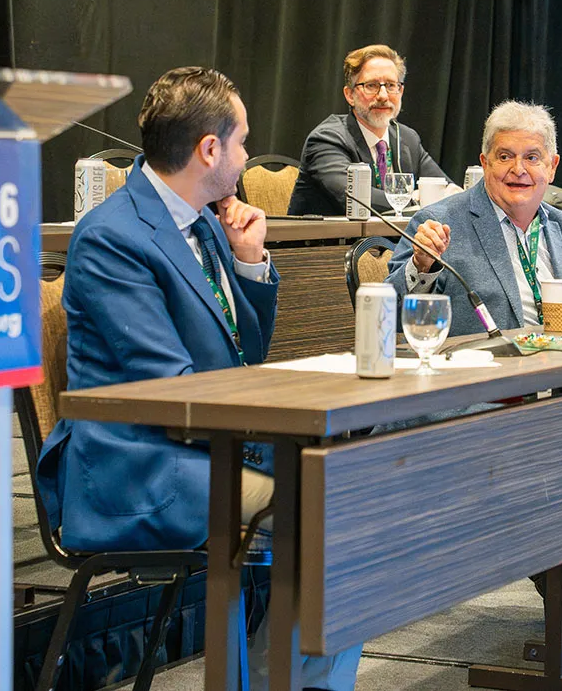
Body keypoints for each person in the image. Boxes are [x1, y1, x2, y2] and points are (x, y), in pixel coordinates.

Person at [36, 66, 360, 691]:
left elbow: (243, 354)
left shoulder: (206, 221)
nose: (244, 159)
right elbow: (172, 390)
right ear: (209, 148)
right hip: (141, 466)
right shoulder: (113, 239)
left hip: (203, 444)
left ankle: (282, 678)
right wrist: (281, 430)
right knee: (328, 506)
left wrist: (250, 264)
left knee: (356, 486)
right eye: (240, 143)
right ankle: (286, 680)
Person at [385, 100, 562, 637]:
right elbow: (390, 309)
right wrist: (419, 266)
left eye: (532, 157)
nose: (518, 169)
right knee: (550, 444)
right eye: (505, 156)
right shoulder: (442, 221)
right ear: (484, 162)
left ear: (552, 167)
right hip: (479, 393)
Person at [287, 44, 458, 216]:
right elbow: (357, 200)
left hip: (389, 242)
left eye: (391, 85)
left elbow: (448, 189)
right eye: (371, 85)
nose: (383, 96)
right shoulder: (327, 139)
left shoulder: (407, 138)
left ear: (401, 91)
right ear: (349, 95)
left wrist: (447, 195)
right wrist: (416, 199)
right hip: (329, 242)